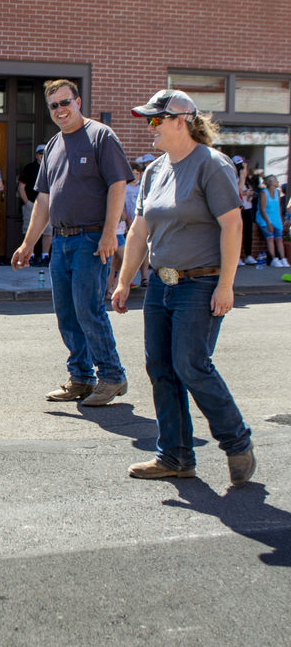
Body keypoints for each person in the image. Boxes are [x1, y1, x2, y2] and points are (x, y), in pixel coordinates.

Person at [113, 88, 255, 485]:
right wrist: (125, 280)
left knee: (191, 366)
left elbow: (232, 224)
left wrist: (226, 285)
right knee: (160, 367)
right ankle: (175, 456)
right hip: (161, 283)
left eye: (156, 120)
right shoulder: (157, 170)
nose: (150, 128)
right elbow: (140, 230)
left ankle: (236, 441)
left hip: (201, 282)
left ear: (182, 122)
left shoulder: (212, 164)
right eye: (148, 120)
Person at [11, 79, 130, 407]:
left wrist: (110, 232)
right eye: (54, 106)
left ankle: (112, 375)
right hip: (61, 243)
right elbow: (43, 202)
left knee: (88, 309)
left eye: (66, 103)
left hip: (91, 239)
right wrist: (27, 244)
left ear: (78, 101)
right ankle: (80, 378)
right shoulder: (52, 146)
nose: (60, 110)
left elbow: (118, 184)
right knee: (66, 312)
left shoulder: (101, 136)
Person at [17, 145, 52, 266]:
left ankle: (45, 256)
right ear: (36, 155)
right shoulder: (29, 168)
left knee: (48, 231)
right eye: (40, 153)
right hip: (32, 203)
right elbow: (21, 187)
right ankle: (29, 256)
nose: (42, 156)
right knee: (29, 230)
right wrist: (27, 203)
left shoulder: (52, 167)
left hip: (48, 204)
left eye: (44, 153)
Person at [256, 174, 288, 266]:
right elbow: (262, 209)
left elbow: (278, 208)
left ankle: (283, 259)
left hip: (275, 219)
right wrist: (268, 223)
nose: (277, 182)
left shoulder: (277, 192)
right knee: (270, 238)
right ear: (270, 182)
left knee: (279, 239)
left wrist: (281, 220)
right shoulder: (263, 193)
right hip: (264, 219)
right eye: (275, 180)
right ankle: (274, 259)